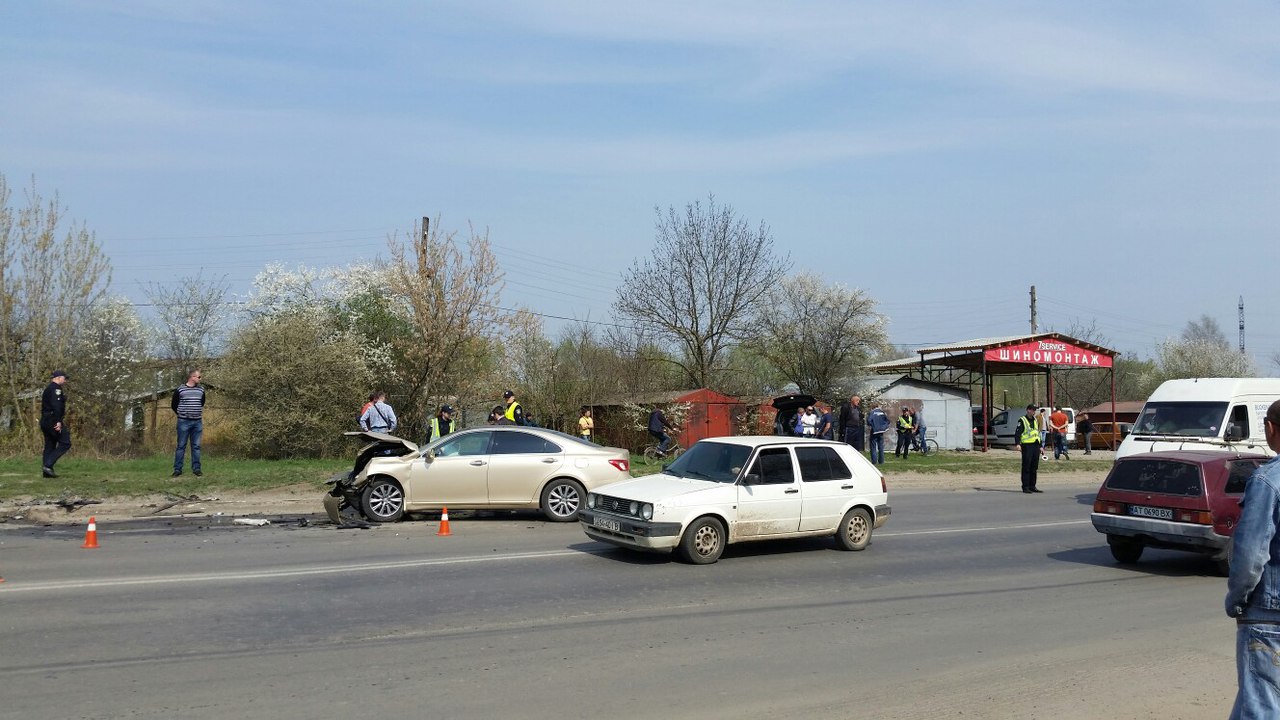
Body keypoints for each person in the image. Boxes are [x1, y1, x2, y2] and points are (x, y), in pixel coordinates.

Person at [1225, 399, 1280, 718]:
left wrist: (1237, 599)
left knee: (1261, 706)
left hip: (1269, 616)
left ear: (1270, 428)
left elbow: (1249, 555)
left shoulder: (1267, 481)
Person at [171, 369, 206, 478]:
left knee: (196, 446)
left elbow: (202, 403)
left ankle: (197, 469)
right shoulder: (180, 390)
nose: (200, 379)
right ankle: (177, 469)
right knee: (181, 446)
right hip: (183, 422)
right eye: (199, 377)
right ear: (192, 377)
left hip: (197, 422)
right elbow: (174, 405)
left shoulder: (201, 390)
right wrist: (182, 414)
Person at [39, 370, 71, 478]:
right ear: (58, 377)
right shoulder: (56, 389)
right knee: (65, 442)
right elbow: (57, 406)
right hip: (53, 420)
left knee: (50, 444)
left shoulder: (48, 388)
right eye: (64, 378)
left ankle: (47, 472)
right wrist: (58, 421)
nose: (65, 381)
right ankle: (48, 465)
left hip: (45, 419)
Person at [1017, 404, 1043, 493]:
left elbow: (1037, 433)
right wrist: (1018, 444)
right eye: (1032, 410)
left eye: (1035, 410)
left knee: (1034, 467)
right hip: (1027, 445)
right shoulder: (1022, 420)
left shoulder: (1035, 420)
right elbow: (1018, 433)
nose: (1034, 412)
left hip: (1035, 445)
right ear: (1028, 410)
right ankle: (1025, 486)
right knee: (1026, 466)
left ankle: (1032, 486)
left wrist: (1040, 446)